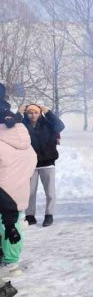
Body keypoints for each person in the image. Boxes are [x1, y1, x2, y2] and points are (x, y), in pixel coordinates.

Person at [0, 108, 37, 277]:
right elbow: (32, 163)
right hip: (20, 191)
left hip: (3, 194)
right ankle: (12, 262)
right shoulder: (26, 142)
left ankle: (8, 262)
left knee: (5, 226)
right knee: (14, 225)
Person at [23, 104, 64, 227]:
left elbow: (60, 126)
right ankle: (30, 216)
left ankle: (49, 215)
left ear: (40, 113)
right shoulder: (23, 125)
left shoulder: (48, 124)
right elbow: (12, 125)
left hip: (47, 162)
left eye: (36, 112)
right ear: (26, 114)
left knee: (50, 192)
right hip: (30, 163)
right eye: (30, 112)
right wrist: (18, 113)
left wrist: (48, 112)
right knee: (29, 192)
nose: (33, 115)